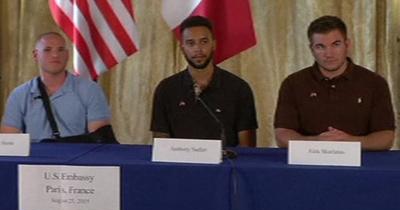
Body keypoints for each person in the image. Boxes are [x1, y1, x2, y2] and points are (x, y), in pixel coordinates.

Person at [274, 15, 395, 151]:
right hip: (308, 163)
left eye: (336, 44)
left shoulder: (374, 83)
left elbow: (386, 137)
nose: (329, 54)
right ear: (311, 49)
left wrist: (350, 142)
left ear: (347, 45)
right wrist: (317, 142)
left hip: (362, 165)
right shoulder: (293, 83)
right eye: (320, 47)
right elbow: (282, 135)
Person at [150, 16, 258, 147]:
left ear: (214, 44)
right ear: (182, 47)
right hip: (179, 165)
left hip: (225, 165)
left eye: (204, 42)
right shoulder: (166, 89)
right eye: (191, 43)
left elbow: (247, 149)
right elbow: (161, 145)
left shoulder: (238, 88)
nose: (198, 49)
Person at [0, 32, 112, 142]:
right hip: (33, 159)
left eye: (60, 49)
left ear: (67, 55)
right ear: (36, 55)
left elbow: (100, 140)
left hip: (77, 159)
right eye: (47, 50)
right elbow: (8, 142)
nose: (55, 55)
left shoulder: (90, 90)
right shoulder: (19, 94)